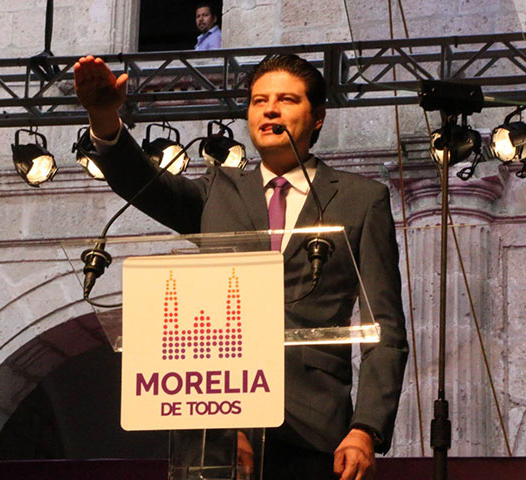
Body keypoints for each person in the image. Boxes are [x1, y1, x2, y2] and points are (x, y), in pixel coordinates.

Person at [74, 53, 408, 480]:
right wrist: (104, 119)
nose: (270, 110)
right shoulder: (217, 191)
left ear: (318, 116)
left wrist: (366, 428)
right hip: (218, 425)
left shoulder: (361, 199)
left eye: (287, 100)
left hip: (314, 430)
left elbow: (385, 326)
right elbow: (141, 182)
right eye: (258, 101)